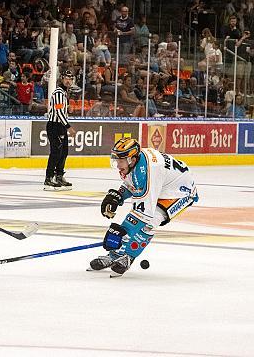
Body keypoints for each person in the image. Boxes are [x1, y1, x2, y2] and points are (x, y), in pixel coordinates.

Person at [89, 138, 199, 276]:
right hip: (162, 187)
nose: (117, 165)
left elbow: (143, 213)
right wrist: (118, 196)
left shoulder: (149, 170)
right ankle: (115, 255)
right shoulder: (136, 164)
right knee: (135, 223)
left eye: (120, 161)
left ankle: (128, 257)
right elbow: (133, 184)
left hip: (180, 192)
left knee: (150, 222)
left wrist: (120, 233)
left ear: (132, 159)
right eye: (116, 160)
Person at [44, 69, 76, 191]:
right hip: (55, 126)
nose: (69, 81)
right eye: (67, 78)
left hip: (60, 126)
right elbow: (58, 112)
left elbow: (62, 110)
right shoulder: (58, 93)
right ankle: (49, 178)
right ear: (62, 78)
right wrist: (69, 127)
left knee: (64, 152)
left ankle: (59, 176)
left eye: (71, 78)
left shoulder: (64, 93)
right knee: (56, 152)